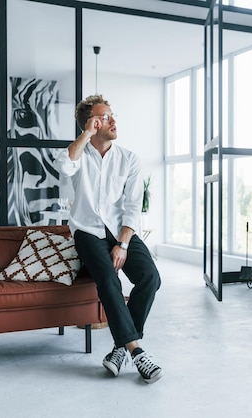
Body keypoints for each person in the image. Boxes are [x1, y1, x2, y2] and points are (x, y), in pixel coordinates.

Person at [53, 94, 163, 384]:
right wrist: (86, 133)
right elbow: (63, 165)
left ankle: (120, 347)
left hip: (120, 230)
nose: (113, 120)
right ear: (91, 123)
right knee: (108, 279)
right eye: (105, 117)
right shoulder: (78, 155)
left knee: (151, 277)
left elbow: (132, 206)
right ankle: (137, 351)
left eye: (113, 115)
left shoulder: (128, 159)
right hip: (87, 231)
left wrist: (123, 244)